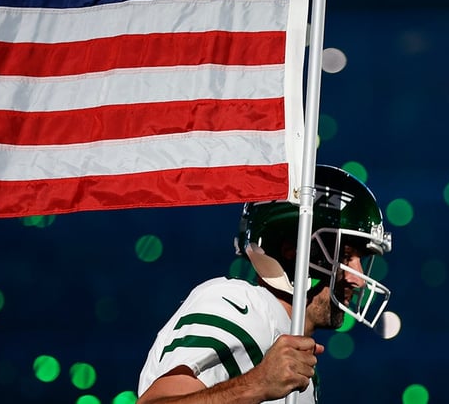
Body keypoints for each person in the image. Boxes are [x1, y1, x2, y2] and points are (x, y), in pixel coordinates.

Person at [137, 165, 393, 404]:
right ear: (294, 250)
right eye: (346, 256)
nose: (358, 279)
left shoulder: (302, 369)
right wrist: (255, 384)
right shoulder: (240, 305)